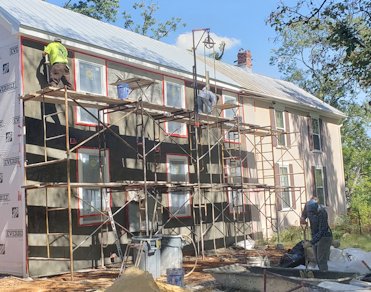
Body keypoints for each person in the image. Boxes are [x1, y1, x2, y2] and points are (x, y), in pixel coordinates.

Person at [300, 196, 333, 271]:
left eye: (312, 213)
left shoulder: (322, 212)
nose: (310, 214)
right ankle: (321, 274)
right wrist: (302, 218)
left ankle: (325, 277)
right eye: (309, 212)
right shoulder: (308, 206)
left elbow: (322, 231)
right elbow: (304, 213)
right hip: (315, 235)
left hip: (324, 237)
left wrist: (310, 242)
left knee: (321, 260)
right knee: (317, 259)